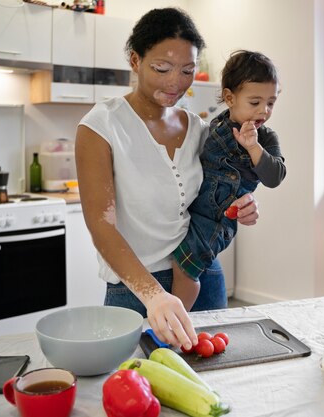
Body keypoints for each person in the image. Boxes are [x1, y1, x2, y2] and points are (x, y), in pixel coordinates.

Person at [74, 8, 259, 350]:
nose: (176, 81)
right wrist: (154, 296)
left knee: (211, 386)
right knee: (135, 387)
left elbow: (217, 193)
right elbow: (101, 225)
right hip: (135, 290)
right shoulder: (101, 126)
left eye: (187, 70)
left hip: (201, 274)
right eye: (162, 68)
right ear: (135, 60)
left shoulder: (199, 130)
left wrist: (242, 204)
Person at [171, 51, 286, 311]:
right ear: (230, 98)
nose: (264, 111)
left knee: (185, 267)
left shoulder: (266, 139)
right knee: (180, 260)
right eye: (255, 102)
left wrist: (254, 148)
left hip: (218, 218)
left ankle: (177, 319)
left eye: (271, 102)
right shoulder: (215, 127)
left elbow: (274, 177)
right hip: (194, 208)